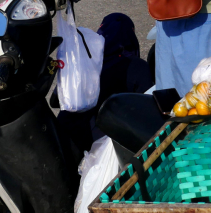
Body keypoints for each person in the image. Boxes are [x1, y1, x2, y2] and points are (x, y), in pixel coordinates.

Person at [55, 12, 153, 152]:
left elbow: (56, 99)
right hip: (101, 143)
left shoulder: (85, 62)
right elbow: (147, 108)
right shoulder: (138, 66)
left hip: (63, 137)